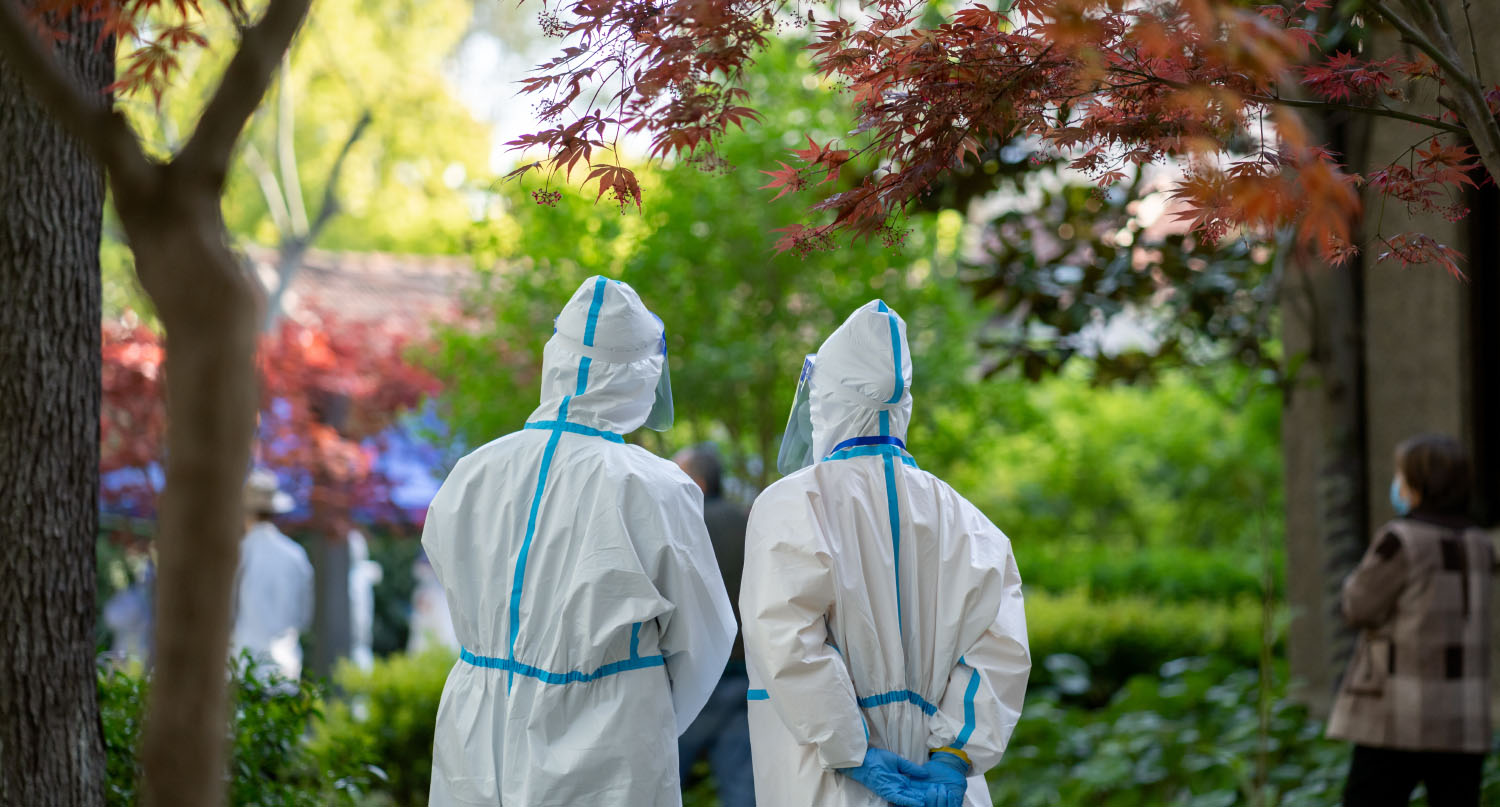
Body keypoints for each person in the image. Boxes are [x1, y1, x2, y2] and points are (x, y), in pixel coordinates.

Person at [423, 276, 737, 807]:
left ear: (556, 360)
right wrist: (645, 708)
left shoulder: (474, 471)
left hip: (475, 728)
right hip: (607, 744)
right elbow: (704, 640)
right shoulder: (655, 487)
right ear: (642, 375)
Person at [741, 300, 1031, 807]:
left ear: (826, 401)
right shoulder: (970, 522)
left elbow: (786, 640)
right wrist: (954, 756)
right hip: (938, 785)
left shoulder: (792, 504)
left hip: (829, 779)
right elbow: (999, 651)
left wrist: (851, 748)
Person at [1328, 434, 1495, 807]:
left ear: (1420, 483)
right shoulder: (1480, 543)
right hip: (1463, 716)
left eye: (1401, 475)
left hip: (1400, 714)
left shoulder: (1401, 540)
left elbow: (1357, 606)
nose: (1397, 484)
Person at [673, 443, 756, 807]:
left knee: (659, 783)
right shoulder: (749, 523)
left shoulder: (684, 526)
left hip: (693, 678)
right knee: (742, 789)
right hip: (747, 676)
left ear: (699, 483)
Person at [232, 469, 315, 682]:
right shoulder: (295, 555)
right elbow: (304, 617)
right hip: (286, 666)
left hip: (243, 666)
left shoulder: (238, 555)